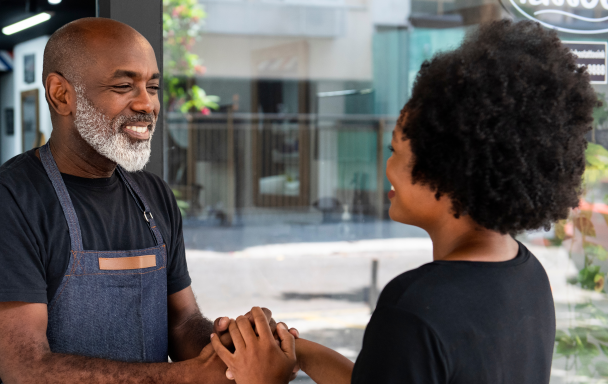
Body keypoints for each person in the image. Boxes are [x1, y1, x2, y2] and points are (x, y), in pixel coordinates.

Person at [211, 19, 597, 383]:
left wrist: (262, 379)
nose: (387, 168)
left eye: (395, 150)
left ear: (445, 167)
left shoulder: (414, 310)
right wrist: (298, 352)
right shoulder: (528, 275)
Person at [0, 18, 273, 383]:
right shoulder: (2, 202)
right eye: (124, 86)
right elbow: (29, 370)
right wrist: (190, 377)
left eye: (152, 87)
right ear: (62, 94)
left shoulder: (154, 195)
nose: (147, 104)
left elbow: (182, 323)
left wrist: (236, 347)